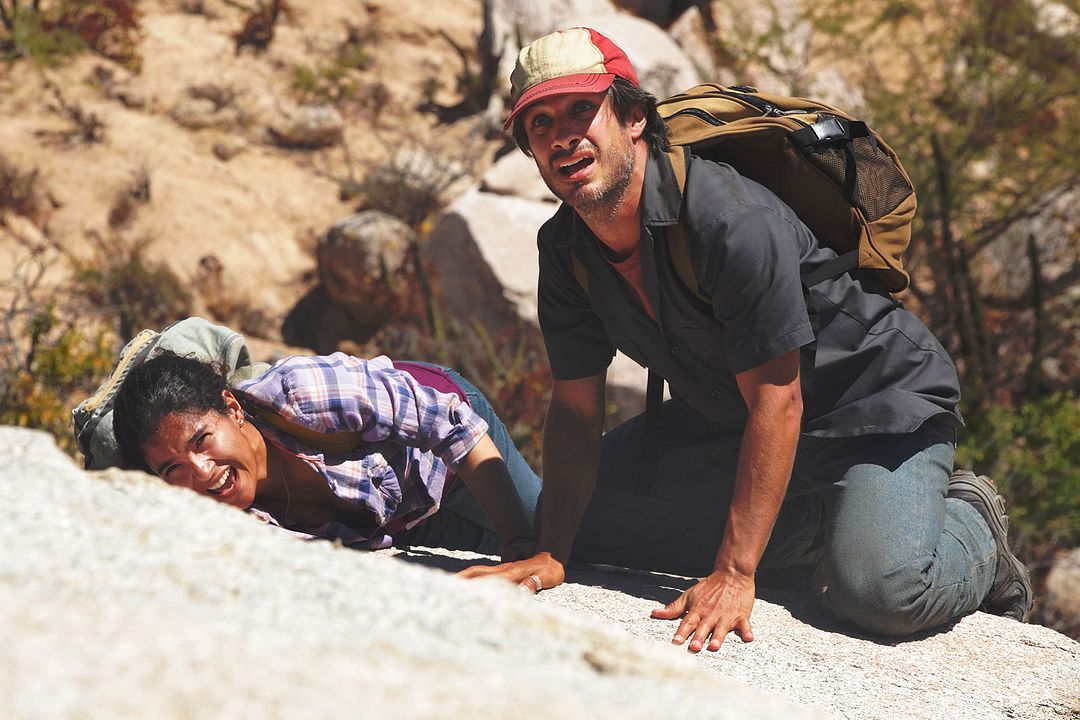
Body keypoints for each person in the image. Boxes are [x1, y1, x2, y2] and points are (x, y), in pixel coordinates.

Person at [461, 27, 1032, 649]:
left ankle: (970, 521)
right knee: (577, 527)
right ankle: (826, 519)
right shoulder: (566, 248)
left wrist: (735, 572)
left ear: (632, 118)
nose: (563, 135)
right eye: (539, 124)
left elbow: (778, 399)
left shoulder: (727, 219)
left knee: (879, 593)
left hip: (869, 405)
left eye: (581, 109)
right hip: (729, 414)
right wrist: (551, 552)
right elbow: (575, 407)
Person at [113, 351, 540, 558]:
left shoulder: (300, 394)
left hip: (451, 453)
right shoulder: (231, 522)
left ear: (232, 407)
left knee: (558, 537)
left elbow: (447, 424)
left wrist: (522, 546)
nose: (201, 473)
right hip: (401, 517)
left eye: (201, 441)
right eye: (173, 469)